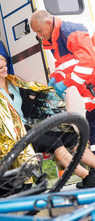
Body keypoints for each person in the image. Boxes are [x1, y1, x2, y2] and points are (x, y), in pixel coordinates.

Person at [0, 53, 95, 188]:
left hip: (30, 125)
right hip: (17, 132)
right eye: (1, 68)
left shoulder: (14, 83)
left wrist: (36, 98)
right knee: (55, 142)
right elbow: (2, 120)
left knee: (70, 135)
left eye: (5, 66)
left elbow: (28, 109)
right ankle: (88, 177)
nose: (5, 69)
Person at [30, 10, 95, 155]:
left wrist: (65, 83)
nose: (39, 36)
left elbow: (87, 64)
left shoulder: (71, 33)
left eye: (39, 31)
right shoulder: (56, 39)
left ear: (48, 23)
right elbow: (63, 65)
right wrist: (55, 78)